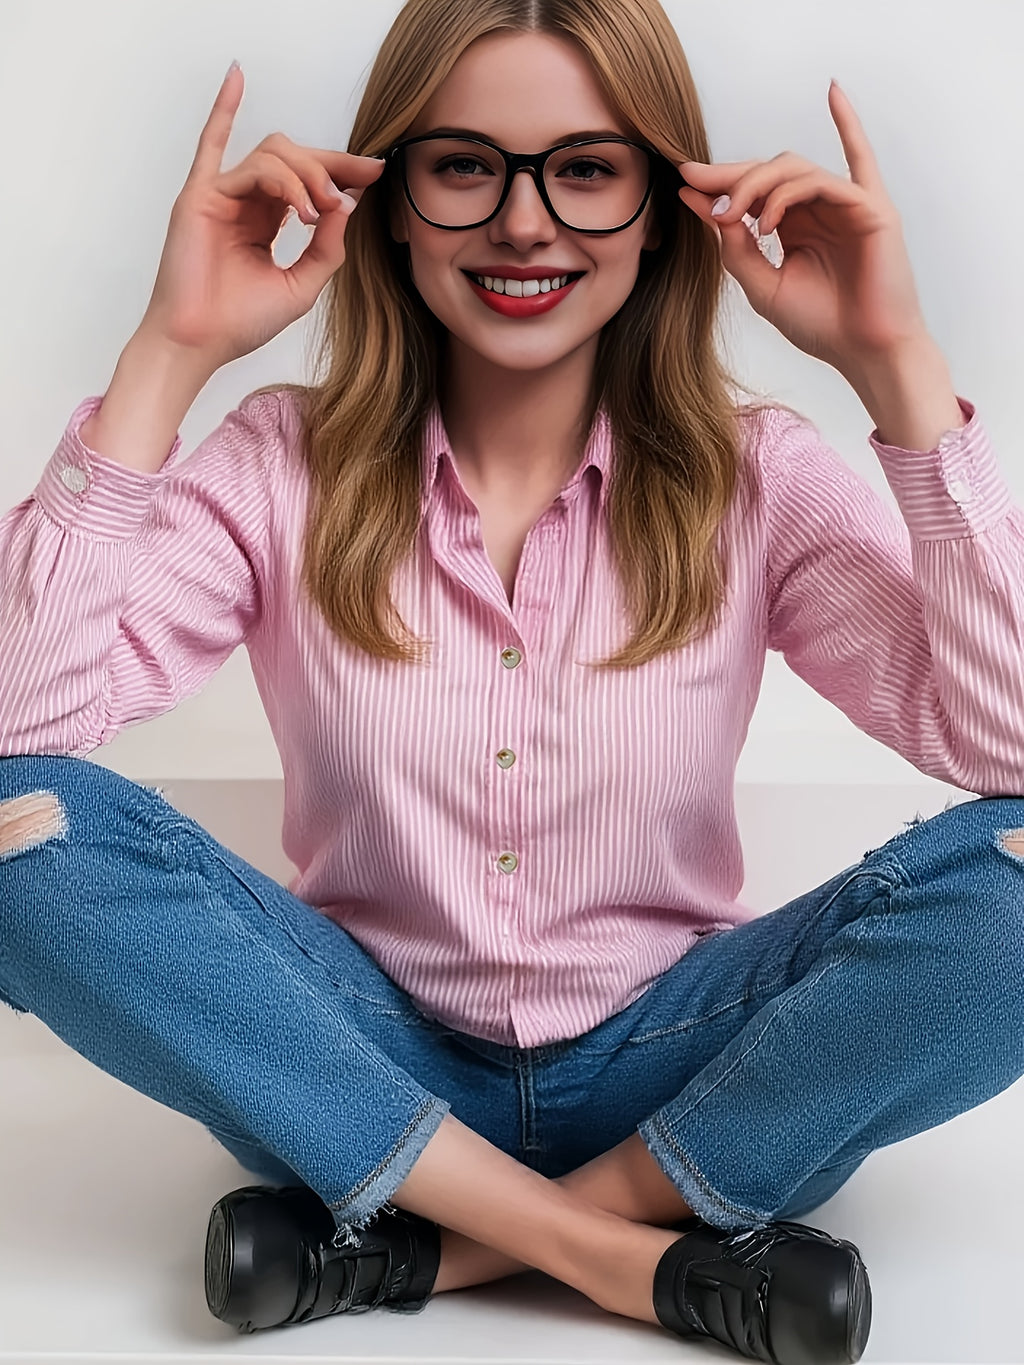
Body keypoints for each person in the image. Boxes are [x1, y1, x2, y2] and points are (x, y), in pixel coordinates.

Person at [2, 1, 1023, 1361]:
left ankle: (438, 1247)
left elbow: (1001, 743)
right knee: (19, 837)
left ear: (661, 206)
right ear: (395, 199)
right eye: (467, 164)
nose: (525, 223)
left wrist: (900, 369)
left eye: (587, 169)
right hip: (351, 1063)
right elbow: (22, 731)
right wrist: (169, 351)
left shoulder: (756, 473)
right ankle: (622, 1260)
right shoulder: (278, 462)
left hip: (693, 1070)